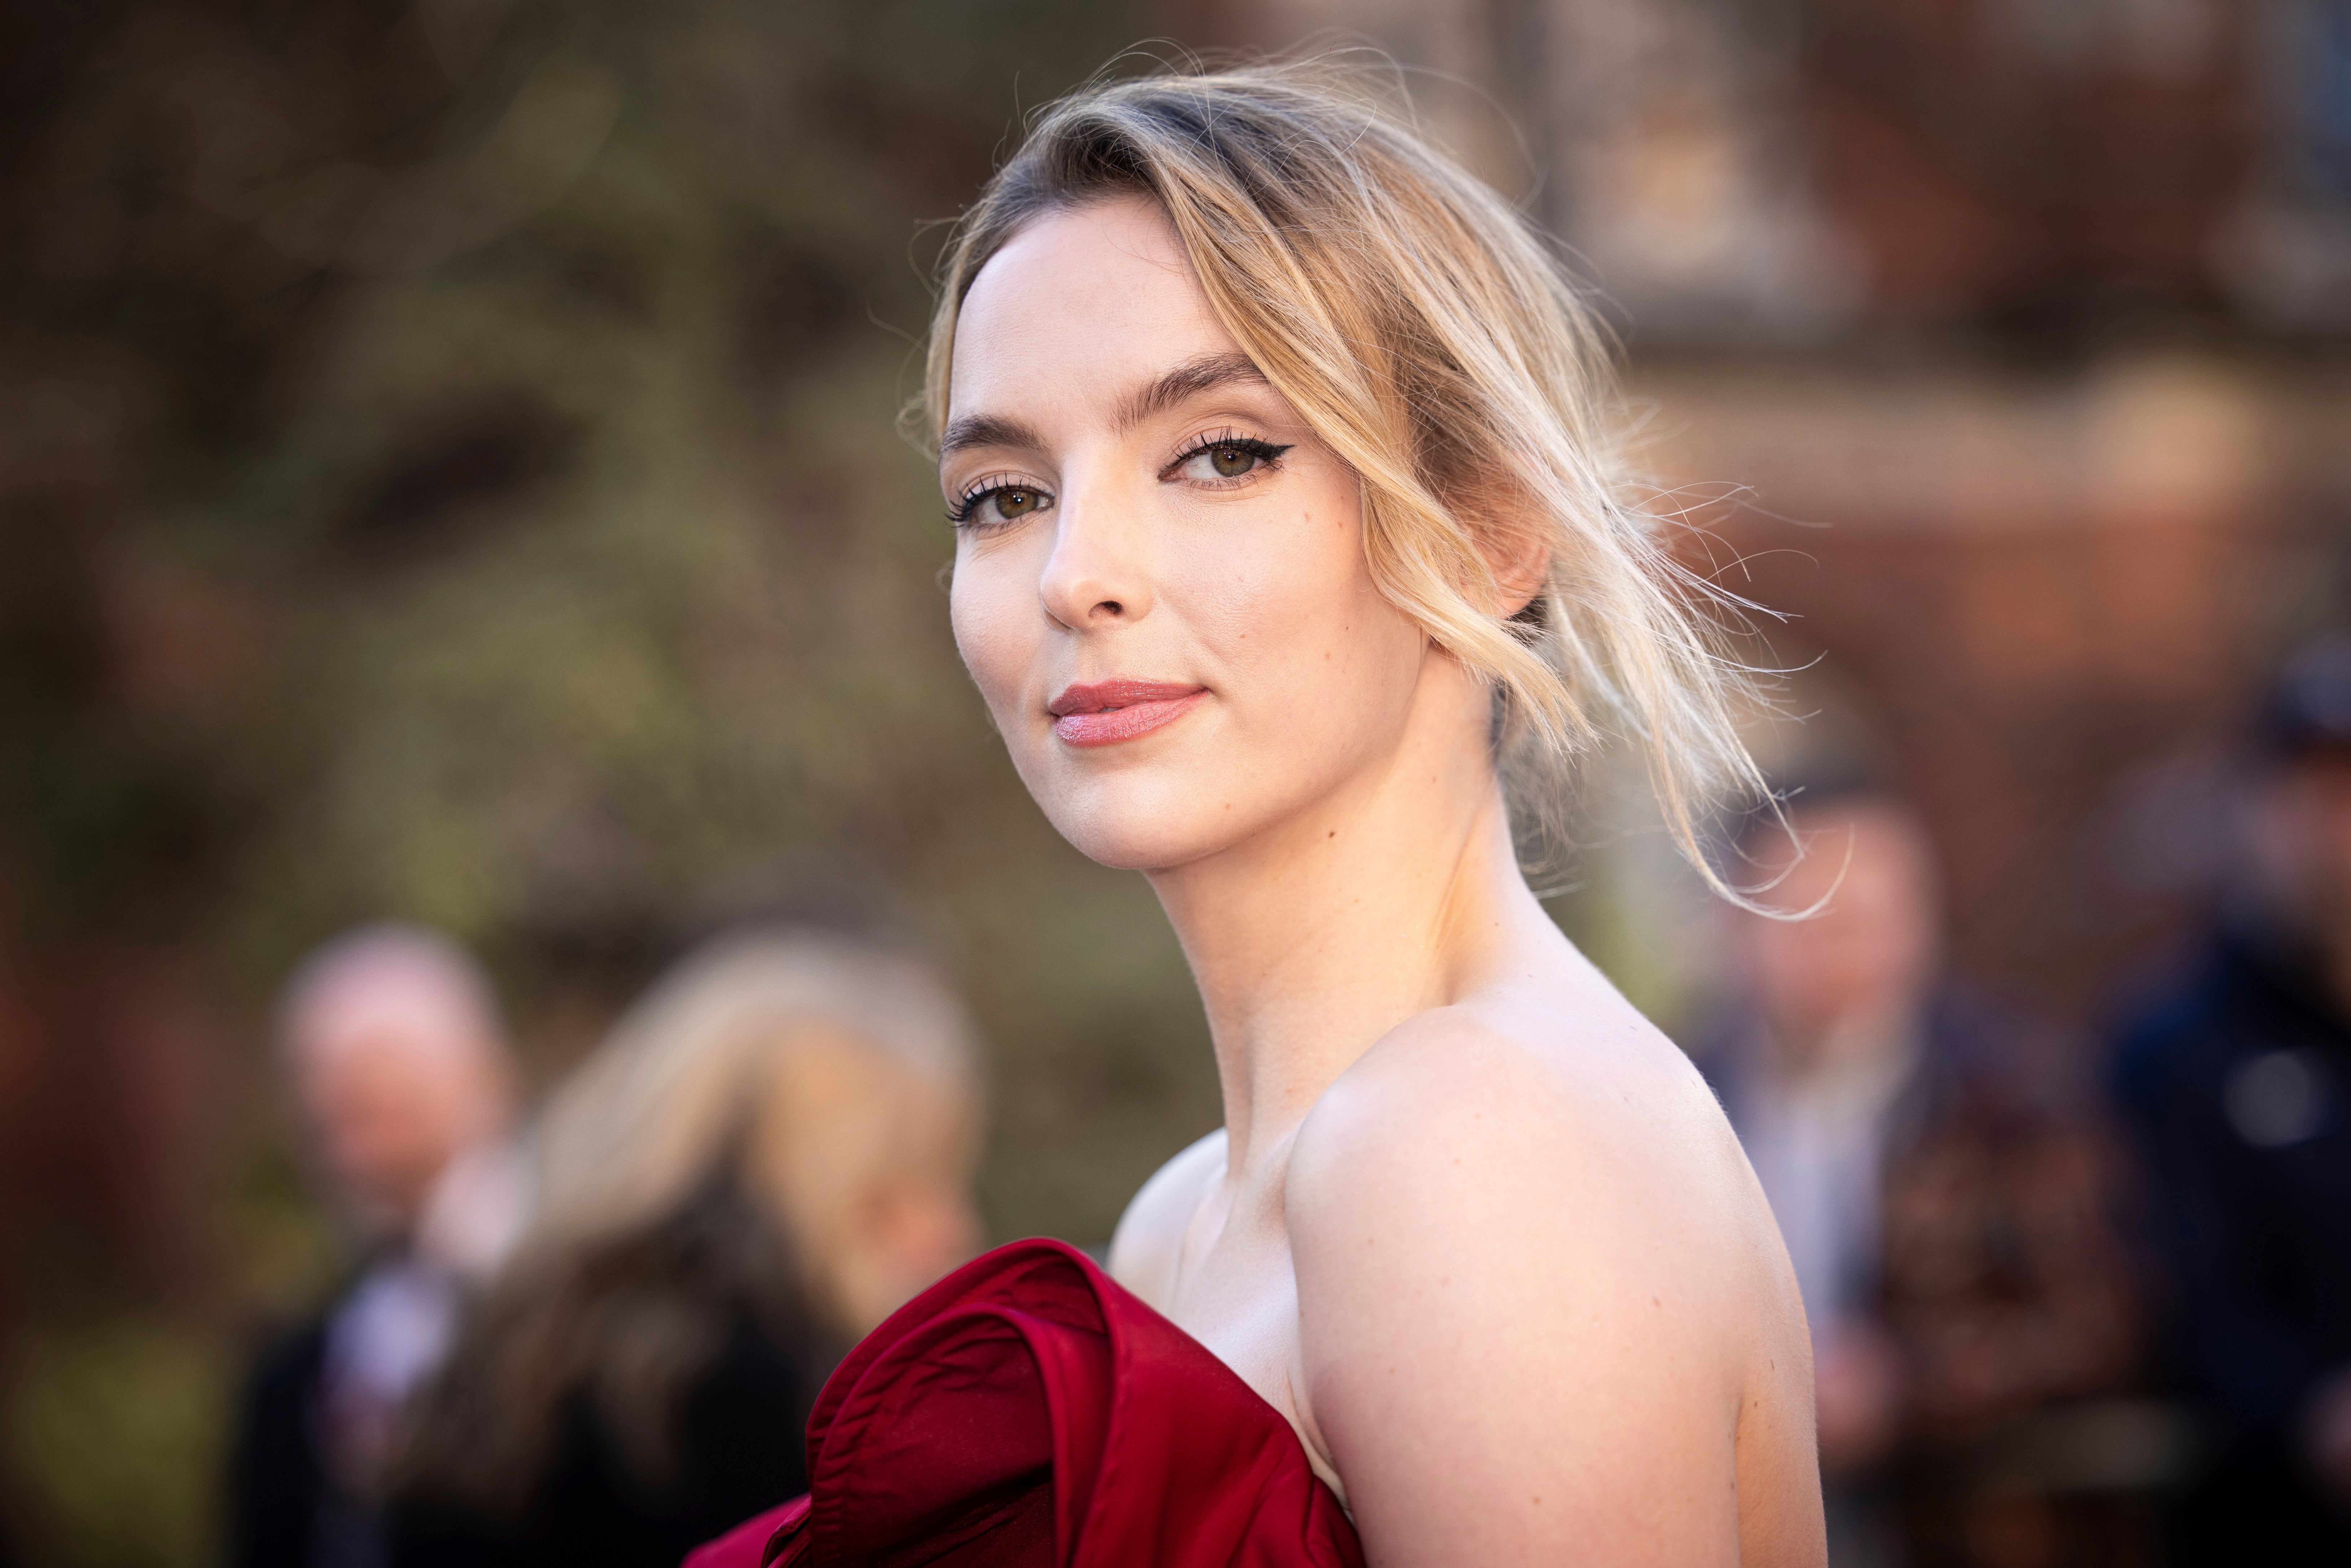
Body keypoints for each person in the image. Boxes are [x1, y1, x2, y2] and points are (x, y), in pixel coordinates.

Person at [697, 58, 1825, 1568]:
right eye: (1002, 493)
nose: (1072, 573)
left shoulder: (1477, 1146)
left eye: (1219, 452)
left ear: (1488, 530)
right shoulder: (1186, 1218)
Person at [388, 926, 983, 1568]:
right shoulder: (794, 1419)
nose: (955, 1231)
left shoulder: (500, 1352)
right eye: (905, 1189)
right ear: (822, 1192)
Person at [1692, 789, 2139, 1566]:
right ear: (1735, 924)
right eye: (1806, 915)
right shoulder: (1681, 1090)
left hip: (1969, 1513)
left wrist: (1906, 1385)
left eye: (1868, 914)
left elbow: (2102, 1316)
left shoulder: (2010, 1089)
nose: (1842, 945)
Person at [2110, 640, 2351, 1566]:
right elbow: (2176, 1302)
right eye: (2315, 796)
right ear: (2256, 811)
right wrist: (2310, 1413)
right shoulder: (2173, 1049)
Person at [227, 923, 527, 1568]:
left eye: (380, 1076)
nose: (343, 1111)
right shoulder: (305, 1356)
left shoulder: (566, 1306)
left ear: (480, 1076)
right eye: (320, 1084)